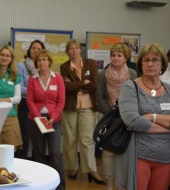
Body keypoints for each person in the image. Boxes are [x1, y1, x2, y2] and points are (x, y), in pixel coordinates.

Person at [116, 43, 170, 190]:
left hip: (166, 158)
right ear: (140, 64)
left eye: (155, 60)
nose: (150, 64)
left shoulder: (169, 89)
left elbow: (141, 121)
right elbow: (132, 121)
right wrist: (167, 129)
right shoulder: (130, 87)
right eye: (146, 60)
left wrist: (152, 116)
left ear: (162, 64)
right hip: (139, 156)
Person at [59, 39, 105, 184]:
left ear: (80, 50)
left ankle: (92, 170)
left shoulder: (91, 63)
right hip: (70, 107)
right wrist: (84, 82)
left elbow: (94, 84)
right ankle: (73, 167)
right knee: (70, 140)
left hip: (88, 106)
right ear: (67, 52)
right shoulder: (64, 67)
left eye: (76, 48)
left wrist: (75, 85)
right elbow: (66, 88)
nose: (74, 51)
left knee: (87, 140)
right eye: (71, 49)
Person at [96, 43, 137, 189]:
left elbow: (135, 95)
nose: (115, 58)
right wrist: (111, 114)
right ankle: (109, 184)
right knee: (108, 151)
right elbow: (99, 97)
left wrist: (127, 114)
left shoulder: (132, 74)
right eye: (113, 55)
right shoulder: (103, 74)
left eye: (119, 56)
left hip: (127, 117)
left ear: (125, 58)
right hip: (108, 116)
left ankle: (122, 183)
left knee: (125, 149)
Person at [26, 49, 65, 189]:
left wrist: (53, 118)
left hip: (54, 120)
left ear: (49, 61)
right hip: (36, 120)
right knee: (39, 153)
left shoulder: (58, 78)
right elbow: (30, 101)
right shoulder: (32, 79)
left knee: (55, 153)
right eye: (39, 60)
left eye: (44, 59)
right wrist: (38, 118)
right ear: (36, 63)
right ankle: (42, 185)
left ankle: (60, 186)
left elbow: (61, 101)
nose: (42, 62)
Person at [16, 40, 45, 160]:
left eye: (39, 49)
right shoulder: (21, 66)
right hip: (25, 106)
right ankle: (21, 166)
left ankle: (38, 167)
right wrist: (37, 91)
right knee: (25, 138)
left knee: (39, 140)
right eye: (33, 48)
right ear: (29, 50)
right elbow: (20, 89)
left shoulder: (44, 67)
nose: (36, 50)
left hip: (41, 107)